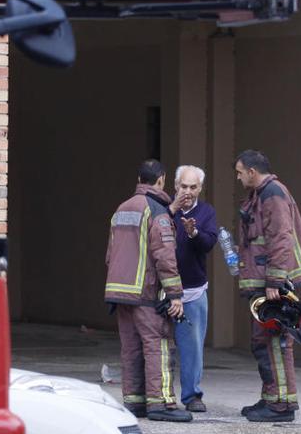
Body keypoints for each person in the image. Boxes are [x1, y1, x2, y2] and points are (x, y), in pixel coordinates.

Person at [234, 150, 301, 422]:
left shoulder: (272, 193)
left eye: (239, 172)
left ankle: (282, 406)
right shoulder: (261, 195)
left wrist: (274, 280)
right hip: (261, 280)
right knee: (263, 342)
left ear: (251, 171)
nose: (237, 177)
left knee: (275, 343)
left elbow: (281, 237)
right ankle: (271, 398)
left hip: (269, 283)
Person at [104, 159, 192, 423]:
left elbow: (110, 255)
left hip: (120, 292)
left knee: (131, 348)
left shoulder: (121, 209)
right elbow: (165, 256)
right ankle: (161, 403)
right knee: (159, 345)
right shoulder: (157, 210)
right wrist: (175, 294)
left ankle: (134, 402)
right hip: (146, 293)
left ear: (139, 178)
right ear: (162, 179)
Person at [168, 165, 217, 413]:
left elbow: (209, 243)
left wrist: (194, 233)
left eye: (193, 187)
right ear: (175, 186)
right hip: (164, 290)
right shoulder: (164, 210)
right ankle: (160, 396)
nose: (188, 191)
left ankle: (191, 396)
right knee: (159, 346)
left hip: (193, 290)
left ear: (200, 188)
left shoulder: (206, 211)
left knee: (192, 347)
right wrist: (172, 210)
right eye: (183, 186)